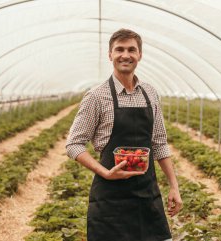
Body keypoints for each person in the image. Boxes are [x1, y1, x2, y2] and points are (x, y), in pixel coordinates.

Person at [66, 28, 182, 241]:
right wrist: (105, 172)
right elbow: (74, 144)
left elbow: (159, 144)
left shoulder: (150, 93)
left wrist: (174, 186)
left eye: (131, 49)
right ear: (110, 55)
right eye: (119, 49)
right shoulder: (97, 97)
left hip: (148, 196)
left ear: (140, 55)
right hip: (110, 200)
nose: (125, 55)